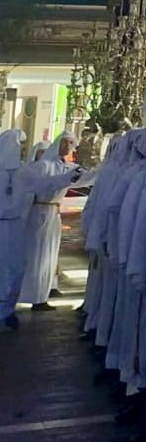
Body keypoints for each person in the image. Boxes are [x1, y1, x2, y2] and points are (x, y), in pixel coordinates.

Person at [1, 129, 80, 329]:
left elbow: (45, 183)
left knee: (14, 268)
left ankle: (6, 310)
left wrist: (69, 178)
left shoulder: (23, 171)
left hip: (15, 225)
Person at [19, 131, 79, 310]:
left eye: (71, 143)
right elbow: (44, 184)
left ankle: (43, 293)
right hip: (40, 214)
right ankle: (34, 295)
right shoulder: (43, 166)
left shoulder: (64, 167)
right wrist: (67, 178)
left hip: (53, 214)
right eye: (65, 143)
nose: (68, 147)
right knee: (37, 255)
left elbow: (77, 180)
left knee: (49, 256)